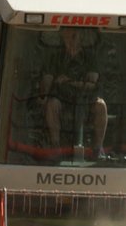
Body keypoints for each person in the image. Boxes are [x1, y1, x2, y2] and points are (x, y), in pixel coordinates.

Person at [39, 28, 107, 159]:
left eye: (73, 36)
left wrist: (67, 81)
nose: (69, 40)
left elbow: (91, 83)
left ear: (81, 37)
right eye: (66, 37)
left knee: (101, 105)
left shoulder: (90, 57)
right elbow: (48, 79)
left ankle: (98, 149)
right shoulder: (56, 57)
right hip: (63, 101)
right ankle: (55, 147)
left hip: (87, 102)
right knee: (51, 104)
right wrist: (44, 94)